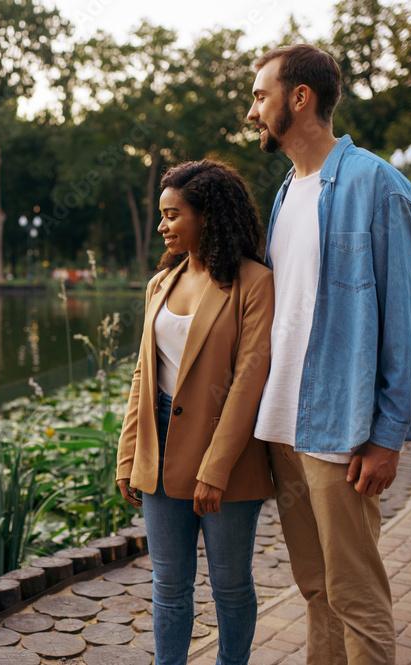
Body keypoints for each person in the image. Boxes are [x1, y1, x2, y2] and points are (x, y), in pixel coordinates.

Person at [246, 45, 411, 664]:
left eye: (259, 96)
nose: (252, 113)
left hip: (340, 429)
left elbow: (406, 321)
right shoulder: (286, 192)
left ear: (299, 99)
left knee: (355, 591)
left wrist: (388, 436)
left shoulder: (377, 185)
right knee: (315, 588)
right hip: (283, 423)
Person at [116, 160, 275, 665]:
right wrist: (128, 455)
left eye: (171, 214)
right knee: (169, 586)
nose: (162, 226)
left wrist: (216, 469)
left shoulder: (254, 283)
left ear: (206, 215)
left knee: (230, 586)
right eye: (161, 216)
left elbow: (250, 382)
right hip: (159, 448)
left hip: (227, 450)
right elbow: (144, 376)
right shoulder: (159, 284)